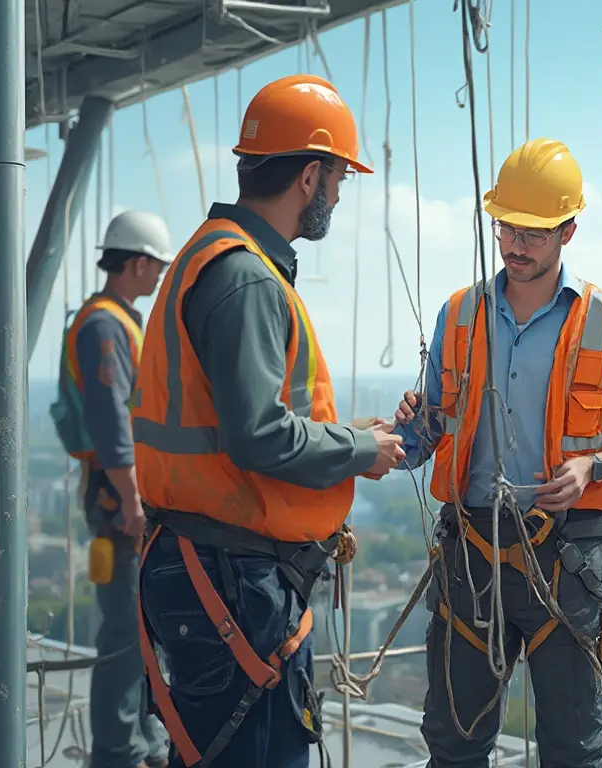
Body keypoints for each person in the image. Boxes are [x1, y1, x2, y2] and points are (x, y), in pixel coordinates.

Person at [131, 74, 406, 768]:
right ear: (309, 175)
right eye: (339, 176)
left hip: (203, 563)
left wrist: (352, 440)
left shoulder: (212, 255)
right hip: (230, 573)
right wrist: (358, 449)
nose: (340, 194)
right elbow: (256, 434)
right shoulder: (246, 276)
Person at [392, 138, 602, 768]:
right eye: (506, 228)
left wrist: (594, 466)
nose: (515, 245)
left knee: (571, 752)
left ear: (568, 231)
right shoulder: (461, 315)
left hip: (566, 562)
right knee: (453, 743)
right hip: (472, 557)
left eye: (533, 232)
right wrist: (407, 432)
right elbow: (434, 433)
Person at [49, 209, 174, 768]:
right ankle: (118, 752)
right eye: (156, 266)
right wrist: (131, 502)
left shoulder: (117, 320)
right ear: (139, 263)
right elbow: (112, 424)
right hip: (118, 499)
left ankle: (143, 739)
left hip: (118, 495)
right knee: (126, 634)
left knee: (141, 627)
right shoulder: (106, 326)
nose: (158, 277)